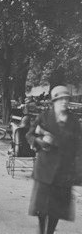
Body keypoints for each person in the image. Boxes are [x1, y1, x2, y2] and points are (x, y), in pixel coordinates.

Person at [26, 85, 82, 234]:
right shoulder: (44, 116)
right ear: (54, 101)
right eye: (60, 99)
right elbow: (29, 134)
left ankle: (50, 231)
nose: (64, 102)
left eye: (66, 99)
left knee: (56, 210)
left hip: (64, 172)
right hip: (45, 170)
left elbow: (79, 146)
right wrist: (39, 141)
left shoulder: (74, 121)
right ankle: (41, 230)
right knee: (41, 208)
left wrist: (78, 171)